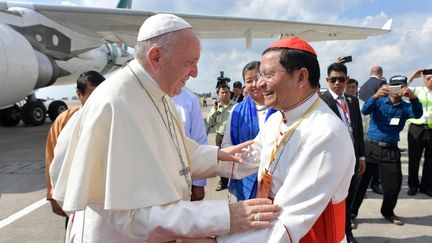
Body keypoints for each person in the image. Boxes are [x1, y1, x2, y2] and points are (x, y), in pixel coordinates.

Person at [52, 14, 280, 243]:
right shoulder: (116, 104)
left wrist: (218, 157)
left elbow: (173, 154)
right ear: (156, 56)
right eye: (190, 62)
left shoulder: (156, 93)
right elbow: (130, 216)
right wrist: (225, 216)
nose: (196, 73)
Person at [217, 36, 356, 242]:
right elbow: (241, 163)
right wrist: (190, 163)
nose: (259, 83)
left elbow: (286, 223)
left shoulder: (325, 133)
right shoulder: (277, 120)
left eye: (267, 75)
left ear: (301, 77)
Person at [351, 75, 423, 226]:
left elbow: (417, 114)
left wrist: (413, 97)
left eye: (401, 86)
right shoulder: (379, 101)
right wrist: (375, 95)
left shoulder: (405, 106)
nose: (397, 89)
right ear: (388, 87)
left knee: (393, 185)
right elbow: (364, 110)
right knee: (360, 183)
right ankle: (351, 213)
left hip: (390, 149)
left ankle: (388, 211)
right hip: (371, 147)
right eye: (394, 86)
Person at [45, 71, 105, 225]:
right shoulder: (65, 120)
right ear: (79, 94)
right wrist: (52, 195)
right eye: (92, 93)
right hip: (74, 196)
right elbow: (52, 157)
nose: (98, 98)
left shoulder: (112, 116)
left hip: (103, 199)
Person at [320, 63, 366, 243]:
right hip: (333, 160)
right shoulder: (321, 102)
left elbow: (358, 131)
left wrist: (361, 156)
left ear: (346, 79)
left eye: (341, 79)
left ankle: (347, 232)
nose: (337, 83)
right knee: (334, 199)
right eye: (333, 79)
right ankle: (334, 232)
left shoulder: (352, 100)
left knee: (349, 197)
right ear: (327, 80)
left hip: (353, 158)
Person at [221, 61, 277, 201]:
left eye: (257, 78)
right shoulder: (237, 111)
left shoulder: (280, 108)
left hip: (276, 179)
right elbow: (226, 145)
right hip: (245, 176)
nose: (254, 84)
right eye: (249, 81)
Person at [173, 87, 208, 201]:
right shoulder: (142, 95)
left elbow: (199, 141)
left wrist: (199, 182)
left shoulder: (190, 99)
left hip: (182, 178)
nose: (193, 74)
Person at [359, 66, 387, 195]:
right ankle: (375, 182)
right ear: (380, 74)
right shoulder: (381, 83)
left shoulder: (364, 85)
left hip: (362, 118)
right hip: (375, 121)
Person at [406, 68, 432, 197]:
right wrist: (412, 77)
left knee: (430, 161)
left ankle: (426, 186)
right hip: (417, 128)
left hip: (431, 130)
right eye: (428, 78)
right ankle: (413, 185)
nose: (431, 80)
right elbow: (400, 88)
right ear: (424, 79)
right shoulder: (417, 90)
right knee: (414, 159)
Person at [207, 84, 236, 191]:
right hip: (220, 136)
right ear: (218, 94)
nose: (224, 94)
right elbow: (210, 121)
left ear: (230, 93)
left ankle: (235, 182)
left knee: (234, 159)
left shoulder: (236, 106)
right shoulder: (216, 106)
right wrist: (214, 109)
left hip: (232, 136)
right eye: (222, 92)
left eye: (226, 92)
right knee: (221, 161)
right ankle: (223, 182)